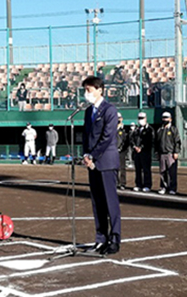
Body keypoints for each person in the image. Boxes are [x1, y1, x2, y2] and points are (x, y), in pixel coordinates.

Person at [82, 76, 121, 255]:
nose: (86, 94)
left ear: (100, 90)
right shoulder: (88, 111)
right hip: (92, 163)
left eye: (89, 90)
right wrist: (85, 154)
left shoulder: (109, 110)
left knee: (110, 202)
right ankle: (100, 238)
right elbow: (86, 135)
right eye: (85, 90)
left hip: (106, 161)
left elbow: (107, 137)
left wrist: (93, 155)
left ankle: (114, 239)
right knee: (97, 203)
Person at [156, 112, 181, 195]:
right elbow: (156, 142)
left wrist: (176, 152)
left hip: (170, 153)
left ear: (170, 119)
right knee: (162, 172)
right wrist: (157, 152)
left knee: (172, 172)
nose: (165, 119)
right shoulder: (160, 130)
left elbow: (177, 141)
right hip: (162, 153)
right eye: (163, 117)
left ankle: (173, 188)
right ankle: (163, 187)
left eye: (166, 117)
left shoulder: (173, 129)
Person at [131, 112, 154, 192]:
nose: (140, 120)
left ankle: (147, 185)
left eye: (142, 118)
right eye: (139, 119)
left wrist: (141, 148)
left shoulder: (149, 130)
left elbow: (150, 141)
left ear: (145, 118)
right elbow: (132, 139)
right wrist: (135, 146)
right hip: (137, 153)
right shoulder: (136, 130)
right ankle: (138, 184)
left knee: (146, 169)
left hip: (145, 153)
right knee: (138, 170)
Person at [116, 112, 128, 190]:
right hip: (114, 151)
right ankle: (116, 182)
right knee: (114, 168)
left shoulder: (125, 129)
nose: (118, 119)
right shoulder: (112, 128)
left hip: (122, 151)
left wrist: (122, 148)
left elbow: (126, 140)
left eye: (119, 118)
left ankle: (123, 183)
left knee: (122, 168)